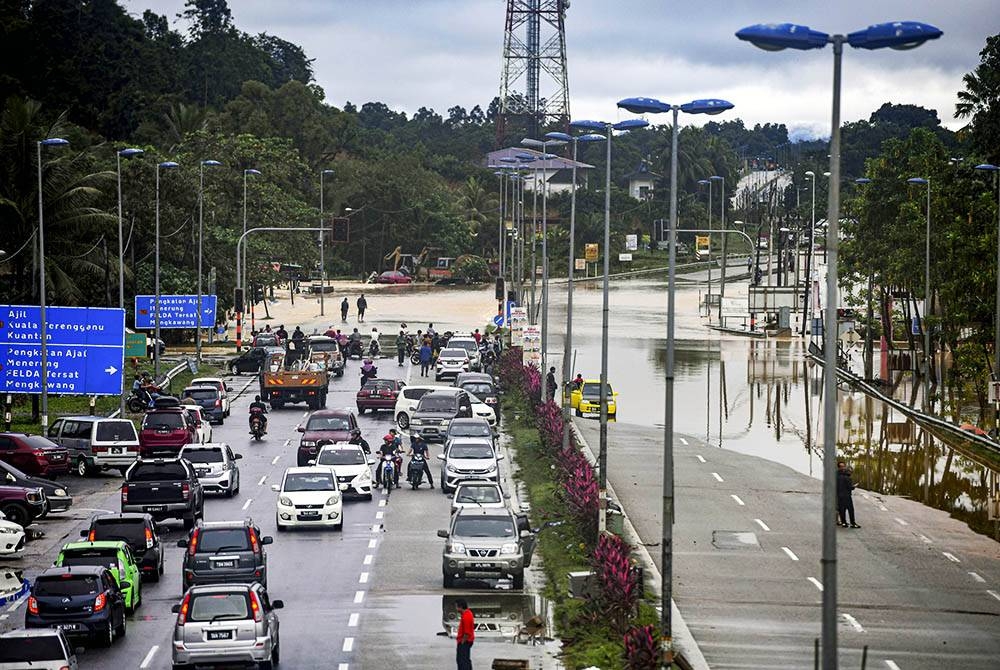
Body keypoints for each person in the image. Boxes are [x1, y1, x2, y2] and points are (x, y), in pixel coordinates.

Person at [836, 461, 860, 528]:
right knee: (850, 509)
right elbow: (850, 488)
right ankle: (853, 523)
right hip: (847, 496)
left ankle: (844, 523)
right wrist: (854, 486)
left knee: (842, 509)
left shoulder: (837, 476)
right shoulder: (847, 478)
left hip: (839, 495)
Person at [455, 598, 475, 670]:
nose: (456, 609)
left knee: (462, 661)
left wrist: (462, 642)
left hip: (464, 641)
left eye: (457, 607)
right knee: (465, 660)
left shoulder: (466, 616)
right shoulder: (467, 614)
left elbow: (467, 632)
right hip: (466, 641)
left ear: (460, 607)